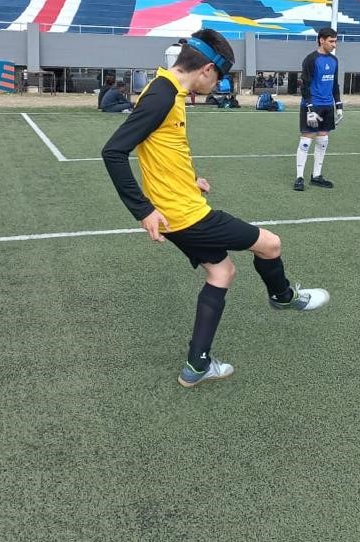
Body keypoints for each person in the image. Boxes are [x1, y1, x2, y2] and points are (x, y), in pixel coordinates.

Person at [102, 28, 330, 388]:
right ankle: (283, 297)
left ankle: (197, 365)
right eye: (221, 78)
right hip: (186, 216)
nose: (220, 85)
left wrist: (189, 179)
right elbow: (113, 152)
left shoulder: (169, 90)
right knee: (270, 245)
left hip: (180, 209)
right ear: (207, 69)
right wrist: (143, 210)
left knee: (221, 273)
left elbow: (160, 148)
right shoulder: (161, 96)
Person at [294, 27, 343, 192]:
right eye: (331, 41)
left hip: (327, 106)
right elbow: (304, 84)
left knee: (323, 141)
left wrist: (339, 106)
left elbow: (335, 84)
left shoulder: (334, 60)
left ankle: (316, 176)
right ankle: (299, 178)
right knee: (306, 141)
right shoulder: (311, 59)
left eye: (335, 41)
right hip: (312, 105)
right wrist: (308, 104)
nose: (334, 44)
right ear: (321, 40)